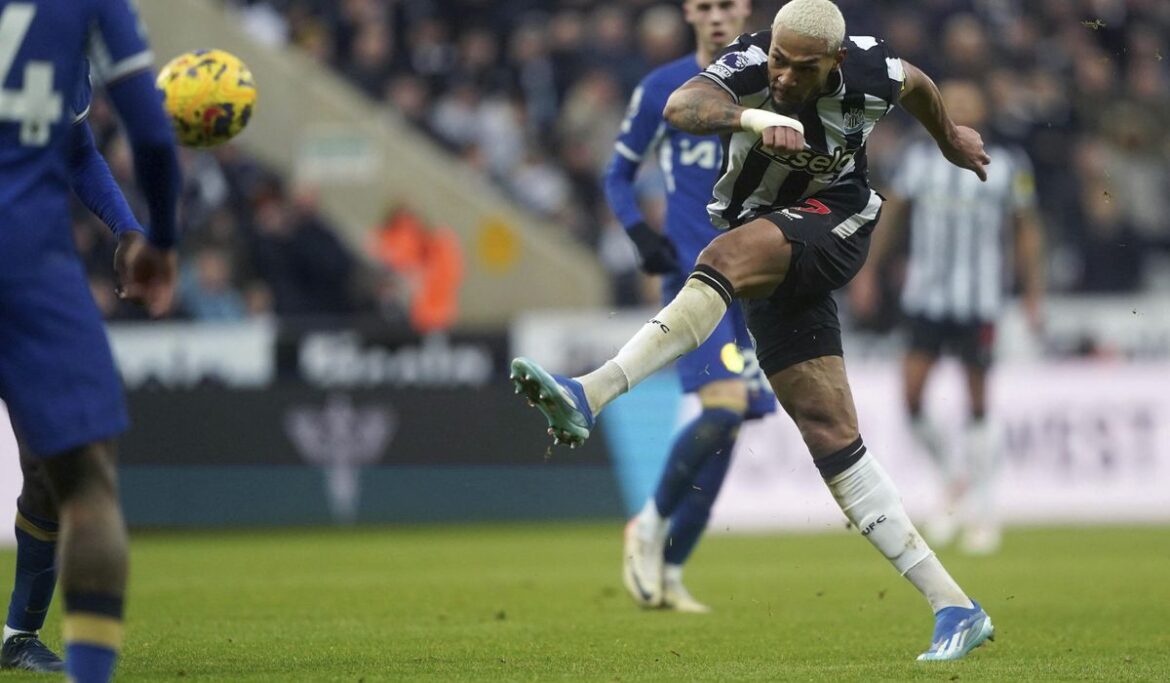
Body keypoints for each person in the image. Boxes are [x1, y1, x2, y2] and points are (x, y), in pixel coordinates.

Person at [512, 0, 993, 660]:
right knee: (829, 432)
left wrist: (949, 139)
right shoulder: (752, 63)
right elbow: (682, 107)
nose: (786, 76)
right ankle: (956, 606)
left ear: (837, 61)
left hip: (837, 221)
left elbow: (919, 86)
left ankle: (588, 394)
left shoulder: (874, 67)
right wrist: (755, 114)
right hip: (774, 241)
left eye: (802, 68)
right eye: (779, 63)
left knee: (721, 260)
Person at [0, 1, 181, 680]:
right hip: (24, 256)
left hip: (25, 255)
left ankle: (19, 631)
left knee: (47, 468)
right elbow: (155, 141)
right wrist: (158, 239)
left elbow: (76, 147)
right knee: (85, 477)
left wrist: (124, 225)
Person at [602, 0, 775, 614]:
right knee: (724, 411)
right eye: (705, 6)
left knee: (730, 429)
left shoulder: (772, 84)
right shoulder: (662, 89)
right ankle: (646, 525)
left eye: (727, 5)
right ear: (689, 13)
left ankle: (671, 569)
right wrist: (640, 235)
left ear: (746, 10)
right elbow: (616, 175)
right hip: (695, 279)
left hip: (757, 282)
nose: (717, 16)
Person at [850, 80, 1045, 556]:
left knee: (978, 403)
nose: (959, 106)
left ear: (984, 105)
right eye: (950, 100)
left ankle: (983, 509)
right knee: (911, 398)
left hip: (979, 300)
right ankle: (951, 477)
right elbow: (892, 219)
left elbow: (1026, 230)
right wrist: (868, 273)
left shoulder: (1010, 163)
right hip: (926, 296)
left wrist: (1033, 292)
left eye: (967, 99)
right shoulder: (918, 161)